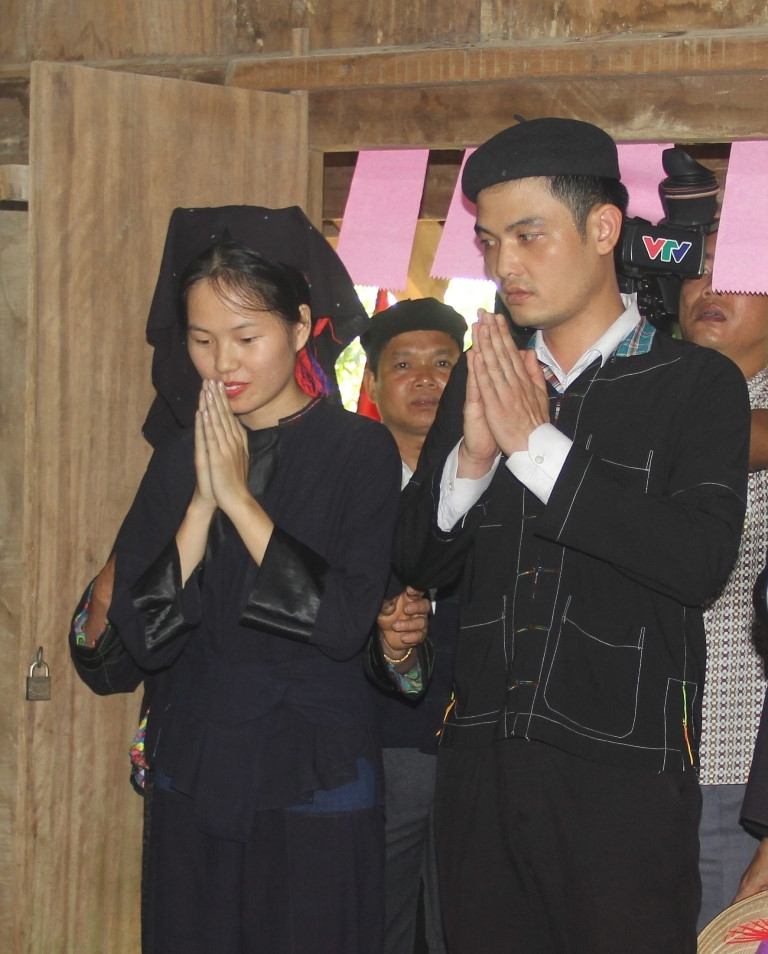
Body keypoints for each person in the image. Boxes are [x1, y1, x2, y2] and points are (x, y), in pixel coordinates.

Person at [393, 117, 751, 953]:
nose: (504, 265)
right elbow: (415, 560)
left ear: (602, 229)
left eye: (529, 235)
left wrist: (536, 447)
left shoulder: (696, 384)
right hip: (479, 765)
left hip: (623, 777)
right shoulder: (485, 375)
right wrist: (474, 458)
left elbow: (698, 562)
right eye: (489, 242)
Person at [99, 239, 401, 954]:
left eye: (245, 338)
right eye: (202, 340)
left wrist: (239, 500)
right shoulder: (180, 455)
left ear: (298, 328)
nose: (222, 363)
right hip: (196, 756)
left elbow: (341, 623)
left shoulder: (358, 449)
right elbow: (141, 634)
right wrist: (202, 504)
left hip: (316, 762)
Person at [359, 298, 466, 954]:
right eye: (403, 365)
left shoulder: (501, 478)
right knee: (378, 920)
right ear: (372, 384)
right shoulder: (345, 487)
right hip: (384, 746)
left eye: (443, 364)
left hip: (480, 752)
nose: (425, 378)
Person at [677, 228, 768, 929]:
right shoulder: (637, 390)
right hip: (633, 760)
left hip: (742, 768)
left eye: (735, 270)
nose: (710, 286)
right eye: (698, 267)